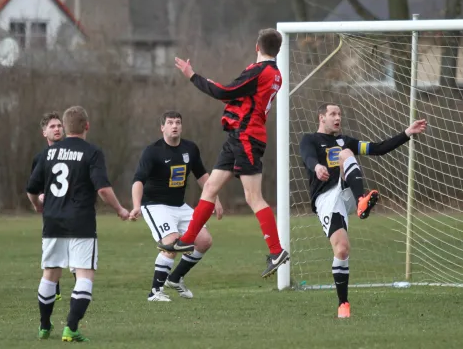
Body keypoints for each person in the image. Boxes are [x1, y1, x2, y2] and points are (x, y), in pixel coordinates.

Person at [158, 29, 289, 279]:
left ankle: (276, 251)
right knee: (209, 189)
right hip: (238, 138)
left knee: (253, 197)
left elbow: (223, 91)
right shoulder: (276, 74)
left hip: (247, 138)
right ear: (278, 50)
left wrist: (192, 76)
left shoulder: (260, 71)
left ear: (256, 46)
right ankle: (187, 240)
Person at [299, 103, 427, 318]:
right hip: (326, 199)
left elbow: (378, 148)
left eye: (340, 113)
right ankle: (343, 305)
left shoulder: (345, 141)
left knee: (346, 152)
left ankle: (361, 200)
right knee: (341, 250)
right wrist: (316, 167)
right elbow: (308, 157)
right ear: (322, 117)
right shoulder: (310, 139)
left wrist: (407, 133)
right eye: (333, 114)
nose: (337, 117)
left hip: (346, 191)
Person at [27, 106, 130, 342]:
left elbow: (32, 189)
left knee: (49, 275)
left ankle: (44, 326)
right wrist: (120, 209)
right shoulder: (92, 152)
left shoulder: (48, 154)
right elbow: (103, 189)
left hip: (52, 221)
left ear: (64, 126)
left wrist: (37, 205)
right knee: (84, 276)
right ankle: (71, 328)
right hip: (81, 222)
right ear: (87, 126)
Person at [130, 111, 223, 301]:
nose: (174, 126)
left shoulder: (190, 149)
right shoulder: (152, 151)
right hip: (155, 205)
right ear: (162, 127)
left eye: (178, 122)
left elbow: (203, 176)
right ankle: (155, 292)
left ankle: (175, 278)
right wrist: (136, 205)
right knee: (171, 244)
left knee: (204, 241)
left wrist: (216, 199)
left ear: (182, 126)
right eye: (170, 122)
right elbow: (138, 180)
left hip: (180, 206)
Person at [31, 112, 66, 301]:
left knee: (77, 252)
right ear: (44, 132)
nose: (57, 129)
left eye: (59, 125)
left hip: (74, 210)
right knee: (52, 252)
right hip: (52, 212)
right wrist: (39, 197)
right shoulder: (40, 158)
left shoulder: (74, 153)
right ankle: (55, 289)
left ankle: (81, 291)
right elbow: (34, 187)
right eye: (52, 126)